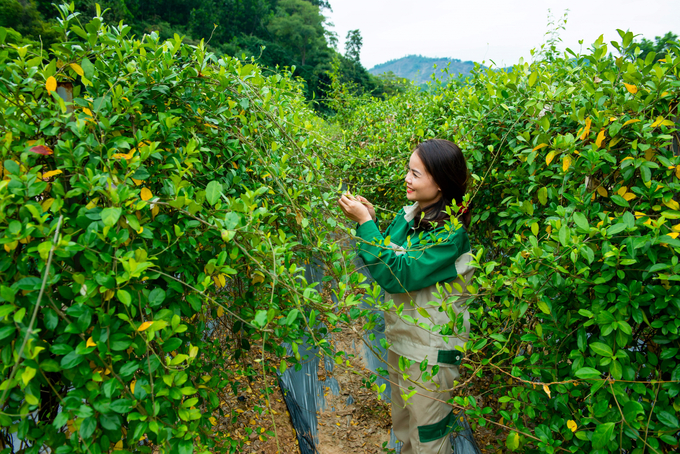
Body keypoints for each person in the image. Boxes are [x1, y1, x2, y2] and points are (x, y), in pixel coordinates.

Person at [338, 139, 475, 454]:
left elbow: (397, 275)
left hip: (429, 352)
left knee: (428, 435)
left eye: (416, 174)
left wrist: (365, 222)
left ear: (439, 183)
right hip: (402, 340)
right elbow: (389, 249)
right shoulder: (410, 214)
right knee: (403, 424)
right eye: (408, 171)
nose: (407, 179)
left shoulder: (449, 234)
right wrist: (370, 220)